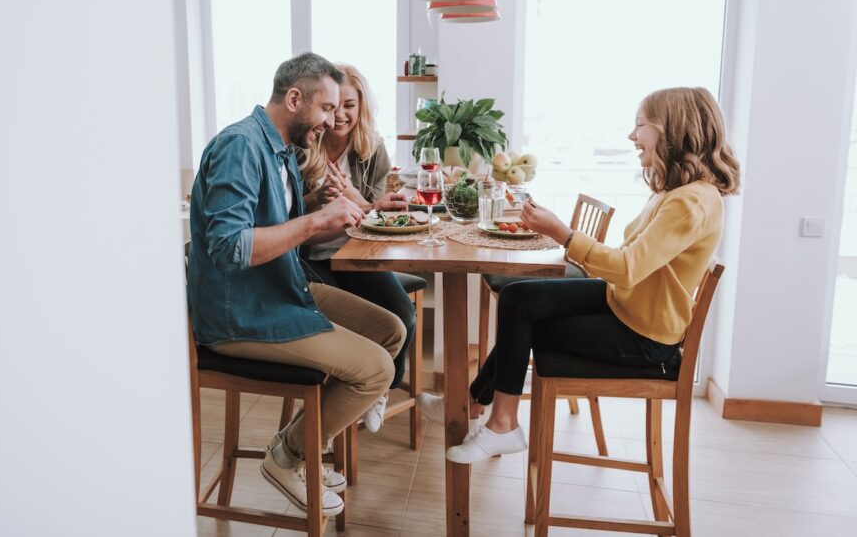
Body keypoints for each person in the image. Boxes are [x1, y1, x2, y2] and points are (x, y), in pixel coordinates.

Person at [419, 87, 740, 464]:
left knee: (527, 326)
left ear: (672, 129)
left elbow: (627, 267)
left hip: (646, 336)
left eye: (640, 126)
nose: (632, 136)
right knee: (519, 299)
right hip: (625, 304)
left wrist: (563, 233)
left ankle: (502, 424)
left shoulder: (691, 201)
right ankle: (473, 403)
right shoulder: (679, 191)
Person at [187, 52, 406, 517]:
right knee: (376, 371)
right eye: (327, 108)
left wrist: (321, 208)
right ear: (294, 99)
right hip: (240, 312)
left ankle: (304, 444)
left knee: (391, 330)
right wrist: (315, 222)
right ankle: (288, 455)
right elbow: (229, 247)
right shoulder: (241, 147)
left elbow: (275, 222)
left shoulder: (279, 148)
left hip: (278, 287)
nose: (333, 121)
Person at [297, 63, 415, 433]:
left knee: (402, 316)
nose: (341, 115)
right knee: (353, 331)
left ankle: (380, 389)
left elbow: (372, 215)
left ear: (361, 106)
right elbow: (285, 216)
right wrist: (318, 198)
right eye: (333, 107)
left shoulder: (371, 149)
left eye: (350, 105)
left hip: (356, 255)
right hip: (312, 259)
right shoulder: (303, 146)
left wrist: (352, 197)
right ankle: (334, 408)